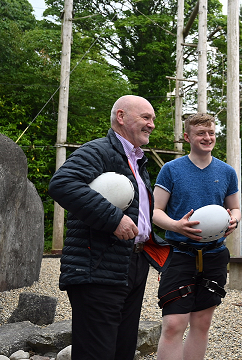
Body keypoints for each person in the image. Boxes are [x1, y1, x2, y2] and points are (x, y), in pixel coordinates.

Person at [48, 95, 172, 360]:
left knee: (122, 350)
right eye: (145, 118)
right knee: (97, 352)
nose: (151, 124)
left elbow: (139, 213)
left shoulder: (138, 161)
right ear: (121, 117)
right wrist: (113, 219)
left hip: (132, 263)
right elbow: (62, 184)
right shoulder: (99, 150)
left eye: (153, 119)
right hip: (98, 265)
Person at [153, 113, 241, 360]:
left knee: (201, 323)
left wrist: (234, 219)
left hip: (214, 255)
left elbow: (234, 207)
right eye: (201, 133)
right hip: (179, 253)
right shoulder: (170, 170)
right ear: (187, 137)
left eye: (211, 132)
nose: (207, 137)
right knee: (173, 324)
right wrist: (176, 226)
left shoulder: (227, 171)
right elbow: (155, 212)